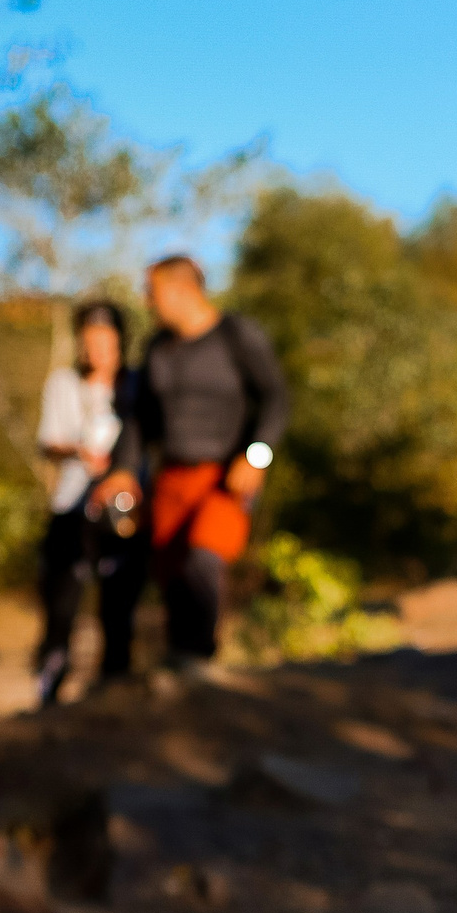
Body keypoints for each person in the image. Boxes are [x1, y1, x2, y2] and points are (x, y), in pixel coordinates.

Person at [99, 256, 291, 669]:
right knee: (171, 575)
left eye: (152, 292)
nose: (146, 302)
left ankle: (199, 660)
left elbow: (277, 398)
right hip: (171, 479)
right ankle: (178, 666)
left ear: (182, 290)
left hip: (224, 478)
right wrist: (122, 471)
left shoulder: (236, 336)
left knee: (204, 557)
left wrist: (258, 456)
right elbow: (138, 421)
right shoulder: (156, 349)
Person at [32, 301, 144, 707]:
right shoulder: (64, 384)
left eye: (103, 339)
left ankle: (114, 696)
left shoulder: (137, 385)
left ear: (119, 340)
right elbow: (47, 442)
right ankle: (48, 693)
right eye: (87, 340)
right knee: (60, 609)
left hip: (124, 512)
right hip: (72, 509)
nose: (94, 348)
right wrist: (78, 451)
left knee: (118, 610)